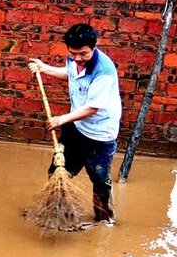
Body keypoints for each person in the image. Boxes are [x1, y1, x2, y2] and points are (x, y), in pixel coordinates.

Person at [28, 23, 122, 225]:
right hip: (76, 126)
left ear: (95, 46)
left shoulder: (103, 72)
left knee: (99, 181)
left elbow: (92, 109)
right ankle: (58, 211)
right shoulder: (73, 59)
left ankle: (104, 221)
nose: (78, 58)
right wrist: (45, 69)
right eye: (73, 53)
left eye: (83, 54)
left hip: (99, 133)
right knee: (57, 170)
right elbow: (71, 74)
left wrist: (61, 119)